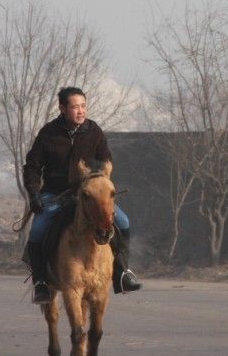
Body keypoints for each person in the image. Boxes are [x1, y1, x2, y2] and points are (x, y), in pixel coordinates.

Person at [23, 86, 142, 304]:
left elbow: (105, 161)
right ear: (62, 108)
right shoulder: (48, 134)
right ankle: (41, 283)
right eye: (75, 107)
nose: (81, 111)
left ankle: (122, 273)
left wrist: (95, 185)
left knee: (123, 222)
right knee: (37, 231)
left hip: (89, 196)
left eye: (83, 106)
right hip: (55, 196)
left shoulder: (94, 131)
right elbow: (32, 166)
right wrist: (34, 195)